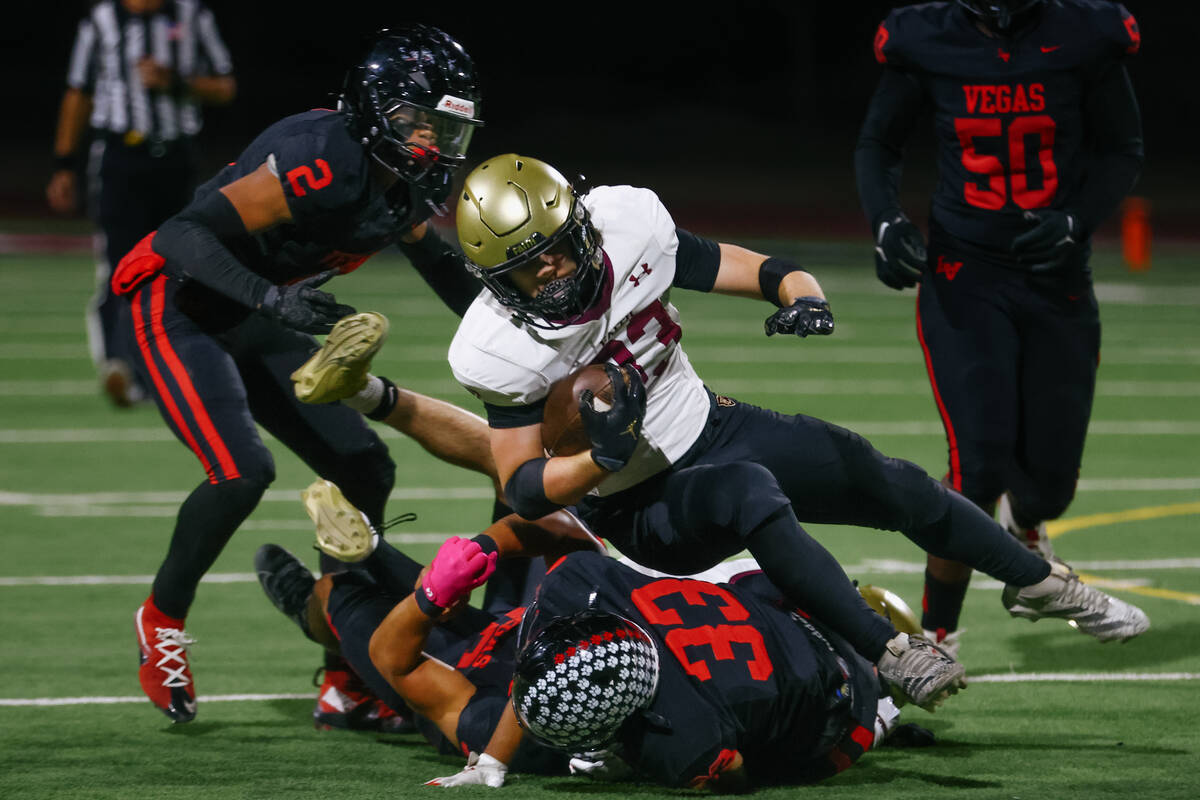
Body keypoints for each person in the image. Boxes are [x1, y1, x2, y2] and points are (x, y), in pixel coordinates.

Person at [427, 152, 1146, 706]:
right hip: (636, 501)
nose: (550, 272)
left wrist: (799, 291)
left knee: (878, 473)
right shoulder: (496, 348)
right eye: (525, 269)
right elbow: (522, 486)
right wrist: (599, 461)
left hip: (710, 425)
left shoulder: (630, 224)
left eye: (555, 247)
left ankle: (1037, 581)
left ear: (581, 223)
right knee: (747, 491)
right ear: (494, 280)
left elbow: (739, 266)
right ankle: (891, 652)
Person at [116, 24, 486, 724]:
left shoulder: (405, 185)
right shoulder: (321, 158)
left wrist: (524, 336)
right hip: (177, 299)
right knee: (240, 471)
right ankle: (161, 617)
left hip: (250, 307)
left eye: (444, 126)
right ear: (375, 110)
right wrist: (271, 298)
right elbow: (181, 234)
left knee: (363, 466)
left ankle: (343, 675)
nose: (432, 140)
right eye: (418, 120)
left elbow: (441, 267)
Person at [253, 486, 923, 790]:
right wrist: (489, 545)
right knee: (534, 502)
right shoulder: (672, 688)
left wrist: (431, 597)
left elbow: (396, 661)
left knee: (337, 593)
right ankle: (378, 558)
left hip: (461, 648)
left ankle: (335, 627)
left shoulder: (521, 727)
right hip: (528, 619)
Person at [853, 0, 1144, 656]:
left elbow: (1123, 148)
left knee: (1050, 486)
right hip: (965, 274)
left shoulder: (1085, 35)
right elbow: (879, 143)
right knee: (977, 467)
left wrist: (1075, 220)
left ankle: (1028, 525)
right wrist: (885, 220)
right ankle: (938, 636)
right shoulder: (926, 38)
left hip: (1056, 278)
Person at [48, 0, 236, 407]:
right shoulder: (101, 20)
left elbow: (225, 86)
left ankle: (169, 368)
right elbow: (78, 91)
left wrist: (177, 82)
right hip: (120, 157)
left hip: (176, 157)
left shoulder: (193, 16)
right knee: (119, 265)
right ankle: (119, 365)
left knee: (178, 265)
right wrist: (64, 164)